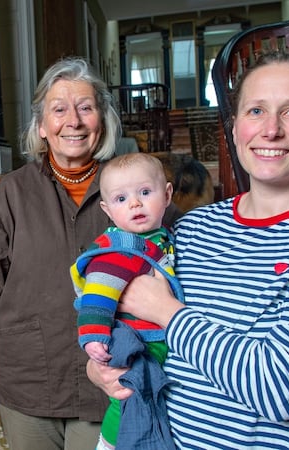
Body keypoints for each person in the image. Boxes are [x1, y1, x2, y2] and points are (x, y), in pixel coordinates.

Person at [87, 50, 289, 449]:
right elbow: (134, 324)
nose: (271, 130)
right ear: (234, 129)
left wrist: (165, 310)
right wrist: (101, 367)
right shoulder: (193, 227)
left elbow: (281, 389)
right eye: (256, 111)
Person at [0, 57, 182, 450]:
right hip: (27, 383)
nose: (72, 121)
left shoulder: (141, 188)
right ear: (42, 126)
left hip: (114, 382)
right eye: (59, 110)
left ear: (102, 122)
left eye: (86, 108)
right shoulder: (11, 194)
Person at [71, 152, 184, 449]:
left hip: (148, 336)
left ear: (167, 194)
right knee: (131, 396)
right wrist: (93, 335)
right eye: (121, 199)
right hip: (131, 337)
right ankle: (109, 444)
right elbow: (98, 293)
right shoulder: (122, 249)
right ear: (107, 210)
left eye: (145, 193)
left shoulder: (159, 238)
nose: (135, 203)